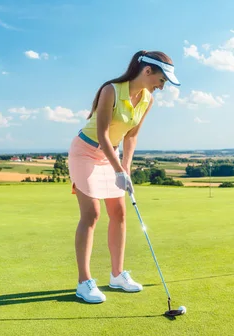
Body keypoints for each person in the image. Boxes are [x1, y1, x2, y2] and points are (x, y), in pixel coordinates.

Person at [67, 50, 181, 304]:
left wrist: (126, 168)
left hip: (112, 154)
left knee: (119, 212)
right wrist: (118, 169)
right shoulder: (111, 90)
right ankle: (83, 282)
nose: (162, 87)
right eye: (162, 80)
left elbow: (131, 136)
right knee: (92, 214)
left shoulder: (147, 99)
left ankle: (117, 275)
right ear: (148, 71)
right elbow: (103, 134)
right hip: (85, 151)